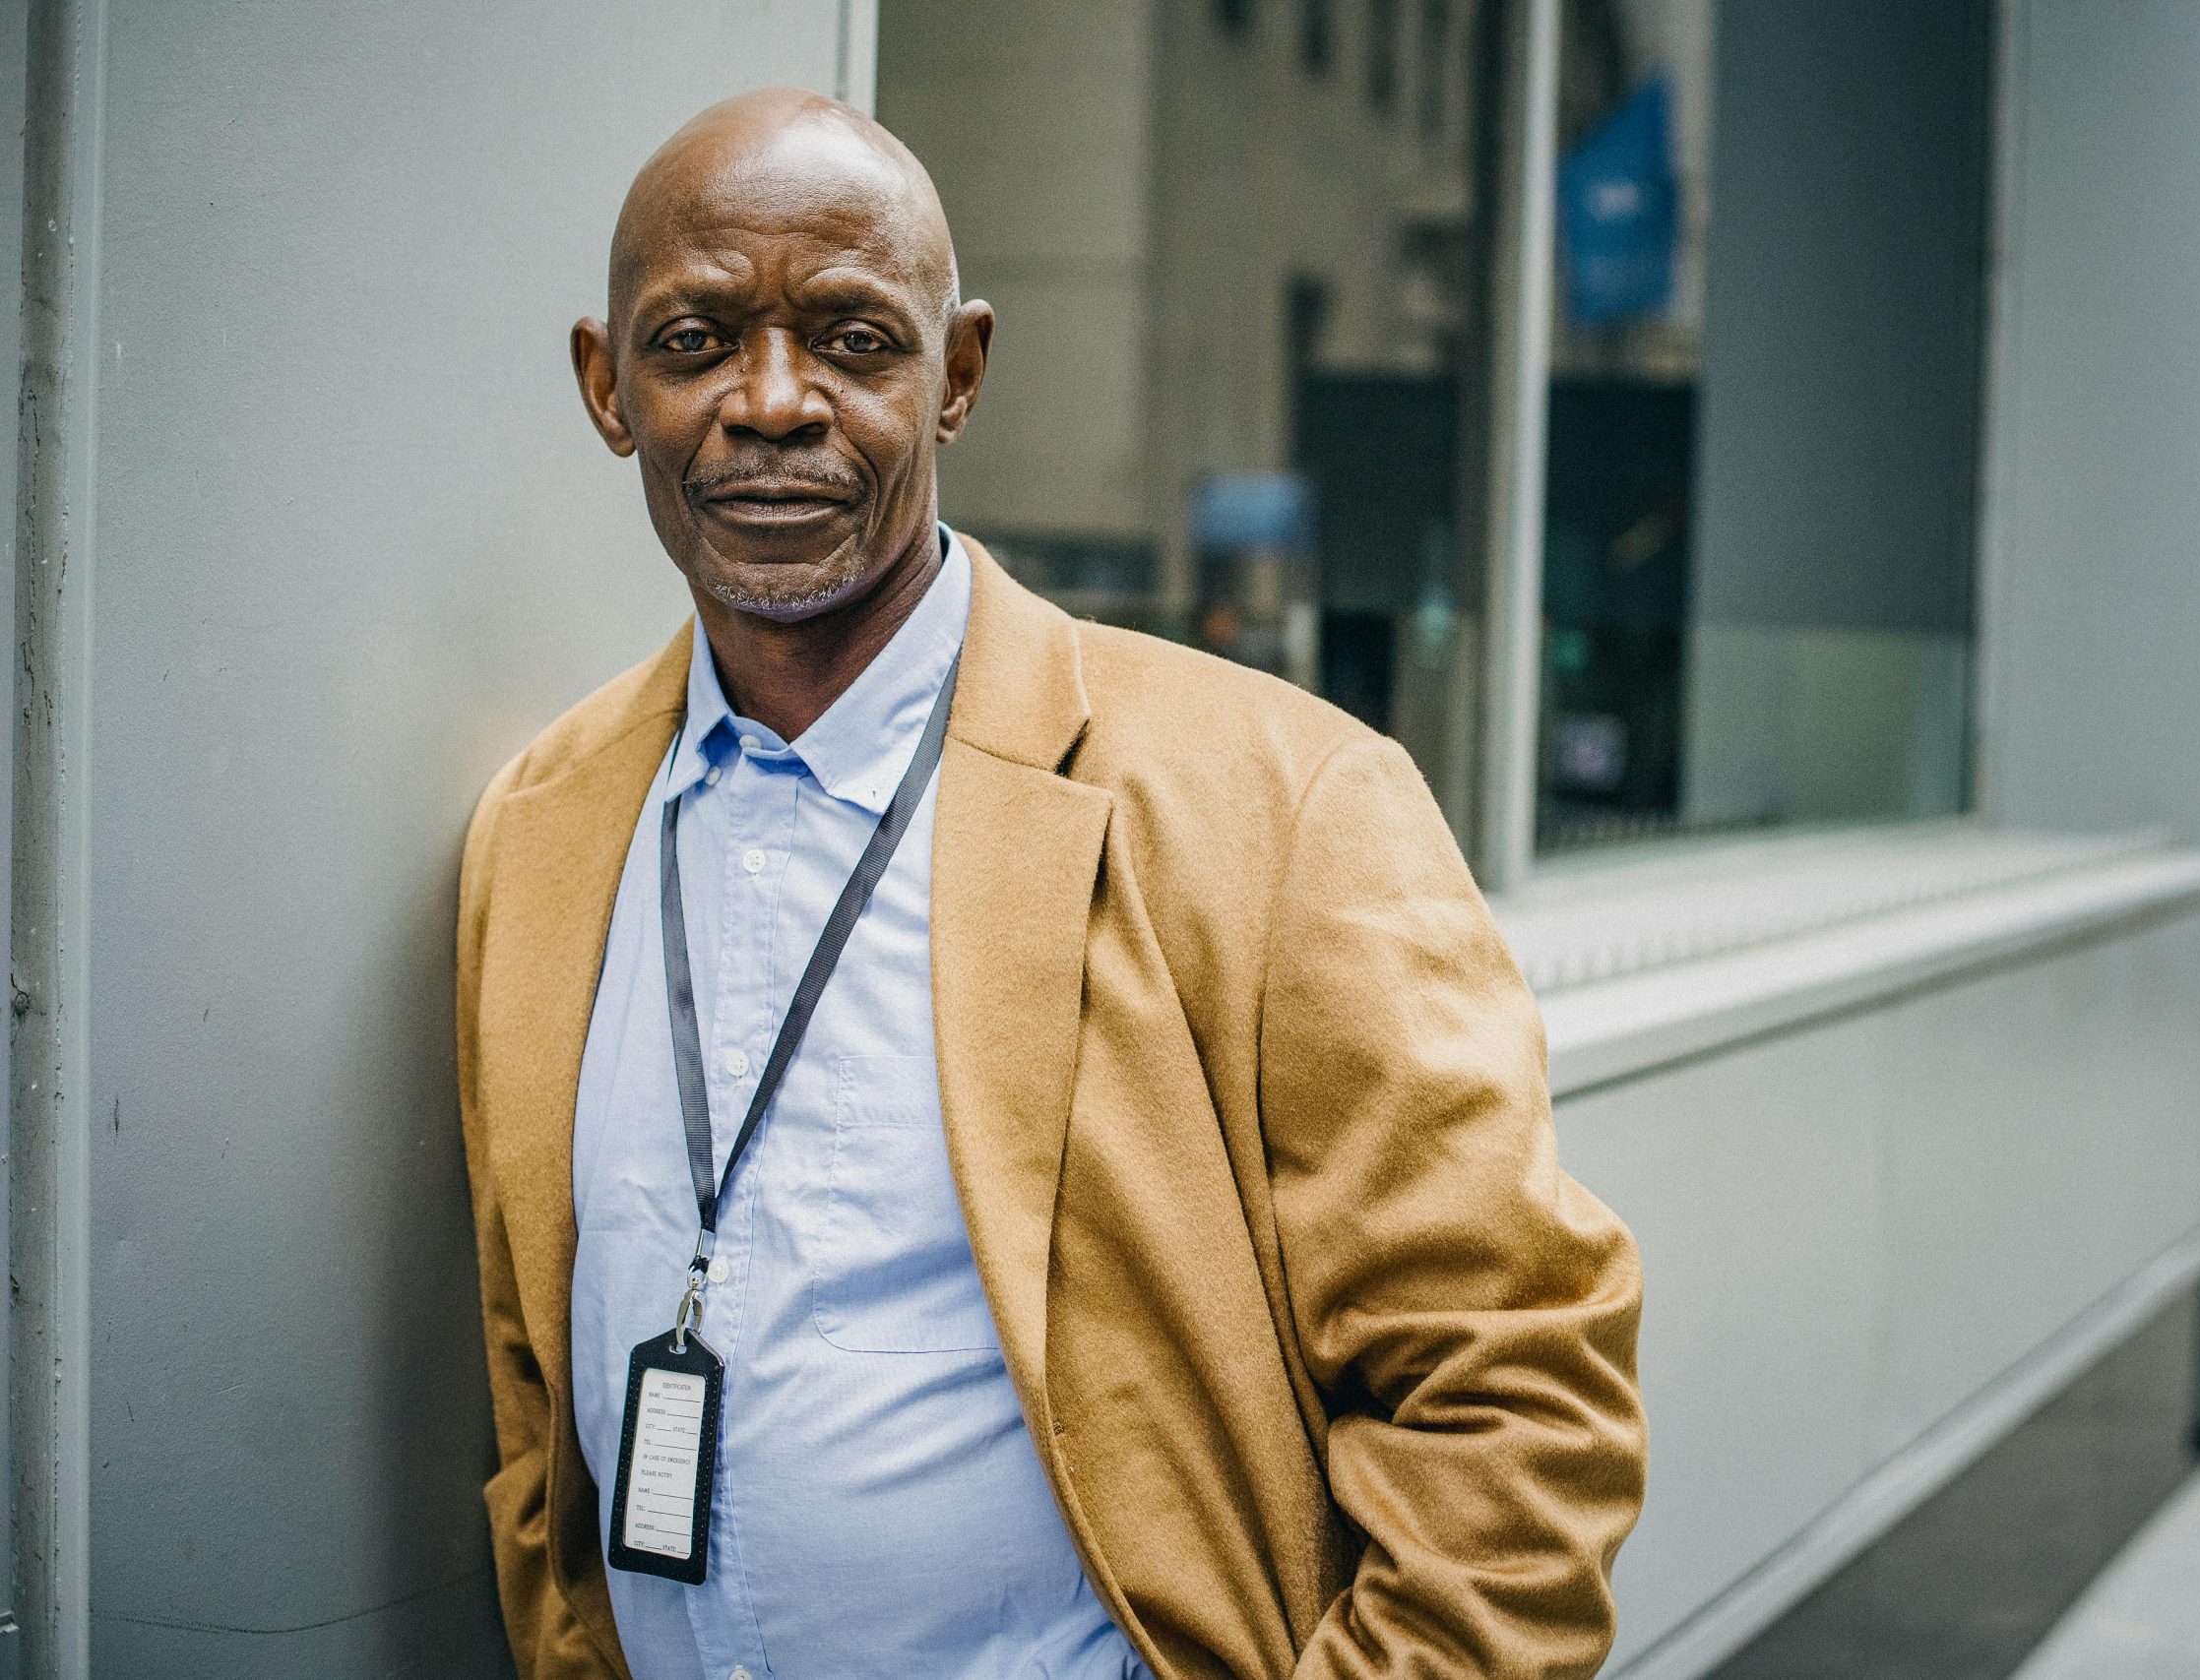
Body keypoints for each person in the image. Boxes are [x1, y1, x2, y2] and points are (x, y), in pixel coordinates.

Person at [455, 87, 1645, 1680]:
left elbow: (1517, 1400)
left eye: (856, 340)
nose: (774, 403)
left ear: (961, 376)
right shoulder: (539, 835)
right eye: (695, 342)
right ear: (609, 388)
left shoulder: (1282, 807)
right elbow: (542, 1411)